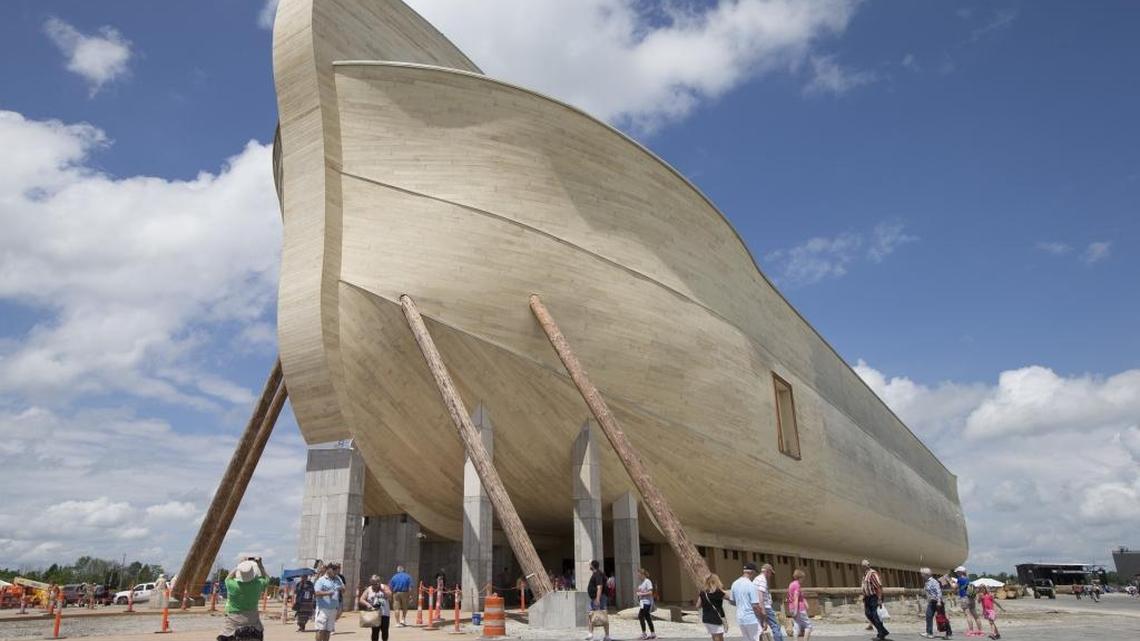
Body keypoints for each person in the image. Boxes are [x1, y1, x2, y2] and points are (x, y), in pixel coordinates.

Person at [217, 557, 268, 641]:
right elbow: (266, 578)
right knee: (259, 630)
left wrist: (239, 565)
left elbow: (227, 578)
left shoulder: (232, 585)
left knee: (226, 635)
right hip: (252, 620)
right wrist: (260, 565)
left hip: (233, 620)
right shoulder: (258, 584)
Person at [726, 562, 768, 641]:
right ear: (752, 572)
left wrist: (741, 603)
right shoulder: (751, 585)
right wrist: (763, 617)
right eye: (754, 574)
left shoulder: (734, 583)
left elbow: (731, 601)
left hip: (740, 618)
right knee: (758, 638)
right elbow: (755, 605)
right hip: (751, 618)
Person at [313, 562, 345, 641]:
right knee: (320, 630)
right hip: (323, 609)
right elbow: (317, 593)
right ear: (329, 570)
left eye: (337, 571)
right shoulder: (321, 580)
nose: (336, 573)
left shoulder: (337, 579)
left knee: (328, 630)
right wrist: (328, 593)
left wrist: (342, 588)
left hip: (333, 608)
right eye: (335, 571)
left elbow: (343, 590)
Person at [860, 560, 889, 640]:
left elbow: (878, 587)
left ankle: (881, 634)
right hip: (867, 598)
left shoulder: (872, 574)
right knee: (868, 614)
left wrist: (879, 598)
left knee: (876, 616)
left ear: (868, 565)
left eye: (866, 565)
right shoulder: (865, 575)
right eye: (863, 566)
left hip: (874, 597)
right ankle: (883, 631)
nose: (865, 567)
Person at [753, 564, 784, 641]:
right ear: (767, 571)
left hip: (756, 606)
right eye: (770, 573)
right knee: (775, 626)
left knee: (760, 627)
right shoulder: (763, 580)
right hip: (765, 607)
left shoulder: (756, 579)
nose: (770, 576)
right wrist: (763, 610)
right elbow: (760, 595)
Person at [359, 575, 392, 641]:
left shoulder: (384, 587)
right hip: (375, 614)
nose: (374, 585)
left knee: (385, 632)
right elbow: (361, 599)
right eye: (373, 584)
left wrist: (383, 591)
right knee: (375, 632)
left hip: (384, 614)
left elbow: (390, 594)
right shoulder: (369, 589)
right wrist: (367, 604)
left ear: (379, 582)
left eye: (376, 583)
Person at [696, 573, 728, 641]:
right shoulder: (718, 592)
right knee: (718, 638)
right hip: (715, 618)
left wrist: (705, 603)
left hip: (706, 617)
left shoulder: (703, 592)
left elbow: (697, 606)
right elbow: (730, 598)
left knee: (715, 636)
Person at [585, 560, 611, 641]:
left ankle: (606, 636)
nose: (589, 566)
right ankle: (590, 634)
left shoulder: (598, 574)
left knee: (603, 615)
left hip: (599, 598)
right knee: (591, 615)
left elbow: (599, 587)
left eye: (590, 564)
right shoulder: (597, 573)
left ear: (592, 566)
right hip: (595, 598)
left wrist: (597, 599)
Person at [954, 567, 980, 636]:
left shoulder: (960, 579)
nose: (956, 573)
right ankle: (980, 630)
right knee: (975, 614)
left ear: (960, 572)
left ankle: (971, 631)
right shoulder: (968, 579)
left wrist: (948, 580)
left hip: (964, 598)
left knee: (968, 615)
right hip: (971, 598)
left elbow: (954, 587)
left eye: (957, 572)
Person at [786, 569, 811, 640]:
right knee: (808, 626)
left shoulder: (791, 584)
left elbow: (792, 597)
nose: (803, 580)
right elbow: (796, 598)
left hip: (791, 607)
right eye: (803, 578)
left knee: (797, 625)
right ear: (800, 577)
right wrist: (796, 610)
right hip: (799, 608)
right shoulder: (797, 585)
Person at [920, 568, 943, 639]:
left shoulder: (934, 581)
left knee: (942, 617)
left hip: (936, 601)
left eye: (922, 574)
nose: (921, 575)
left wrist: (939, 601)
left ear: (926, 574)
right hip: (931, 601)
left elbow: (938, 591)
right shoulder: (927, 582)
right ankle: (929, 632)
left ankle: (948, 632)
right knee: (928, 616)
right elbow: (927, 591)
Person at [636, 567, 656, 639]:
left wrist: (641, 594)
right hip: (642, 602)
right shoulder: (641, 582)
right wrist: (638, 592)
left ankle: (644, 633)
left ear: (642, 574)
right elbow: (640, 591)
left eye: (639, 574)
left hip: (647, 603)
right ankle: (653, 633)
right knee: (647, 617)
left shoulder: (647, 581)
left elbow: (650, 592)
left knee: (640, 616)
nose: (638, 576)